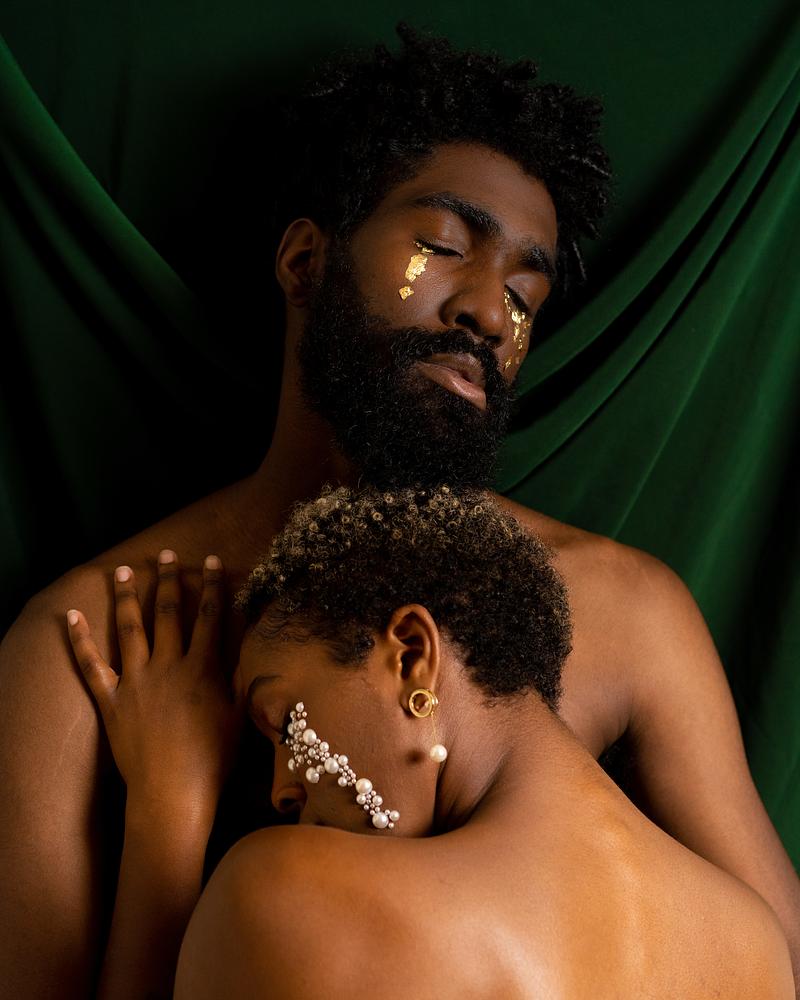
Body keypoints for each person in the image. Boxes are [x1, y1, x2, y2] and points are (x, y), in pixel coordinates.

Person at [1, 24, 798, 998]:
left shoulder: (626, 609)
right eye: (442, 248)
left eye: (524, 295)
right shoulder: (93, 640)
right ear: (305, 261)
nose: (490, 313)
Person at [69, 487, 794, 998]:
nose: (281, 787)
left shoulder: (286, 895)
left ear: (412, 656)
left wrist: (167, 810)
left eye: (283, 720)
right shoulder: (754, 945)